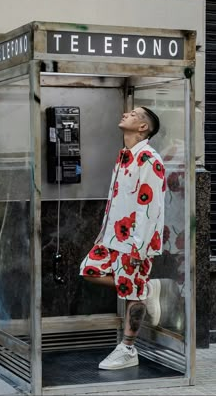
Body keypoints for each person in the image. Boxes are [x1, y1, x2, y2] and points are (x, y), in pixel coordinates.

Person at [79, 106, 166, 370]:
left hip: (135, 240)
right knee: (88, 270)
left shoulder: (149, 159)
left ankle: (128, 349)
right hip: (113, 235)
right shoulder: (125, 156)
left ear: (143, 127)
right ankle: (147, 288)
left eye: (134, 114)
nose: (126, 113)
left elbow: (150, 206)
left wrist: (138, 248)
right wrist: (103, 232)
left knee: (131, 293)